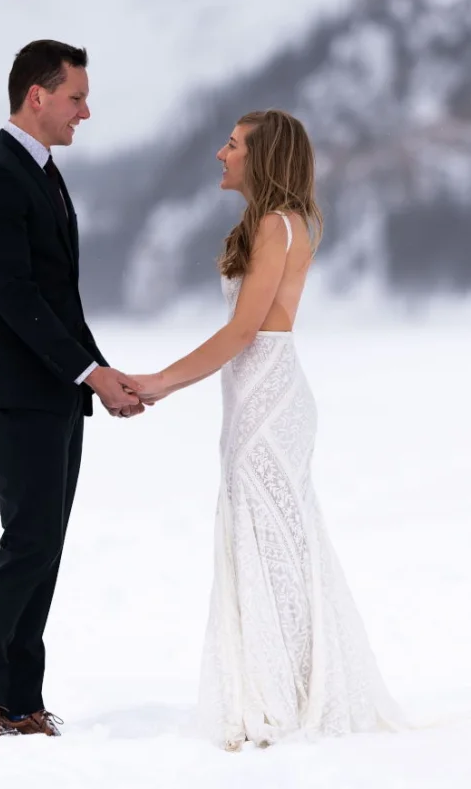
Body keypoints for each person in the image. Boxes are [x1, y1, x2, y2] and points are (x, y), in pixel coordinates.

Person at [132, 109, 404, 751]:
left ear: (262, 157)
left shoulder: (278, 227)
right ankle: (273, 685)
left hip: (269, 399)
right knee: (260, 537)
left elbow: (242, 331)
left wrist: (159, 382)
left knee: (274, 541)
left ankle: (284, 696)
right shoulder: (269, 225)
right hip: (255, 396)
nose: (220, 155)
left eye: (231, 146)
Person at [0, 39, 145, 739]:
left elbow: (60, 301)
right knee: (28, 538)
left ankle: (21, 700)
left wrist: (100, 372)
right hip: (10, 390)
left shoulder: (43, 174)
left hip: (53, 389)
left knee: (45, 542)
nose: (85, 112)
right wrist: (91, 373)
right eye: (76, 98)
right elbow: (15, 299)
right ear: (37, 95)